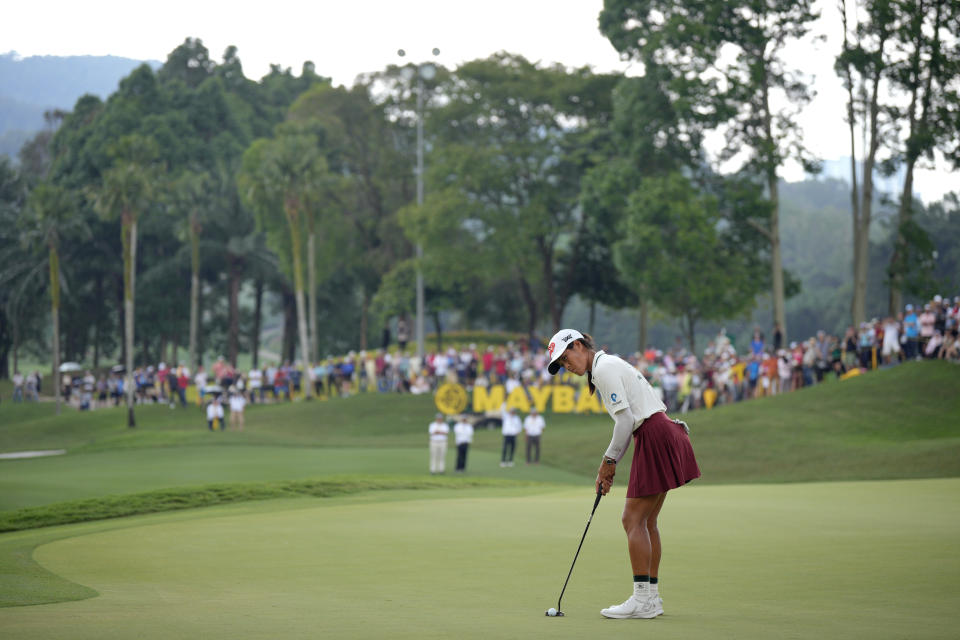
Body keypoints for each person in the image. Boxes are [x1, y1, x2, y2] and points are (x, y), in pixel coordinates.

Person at [547, 329, 700, 620]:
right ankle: (651, 598)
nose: (567, 367)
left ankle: (642, 599)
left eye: (566, 358)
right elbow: (629, 422)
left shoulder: (603, 368)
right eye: (561, 365)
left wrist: (608, 462)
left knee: (632, 519)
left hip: (655, 434)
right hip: (661, 432)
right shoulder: (606, 366)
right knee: (646, 520)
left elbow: (626, 421)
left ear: (579, 346)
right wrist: (610, 464)